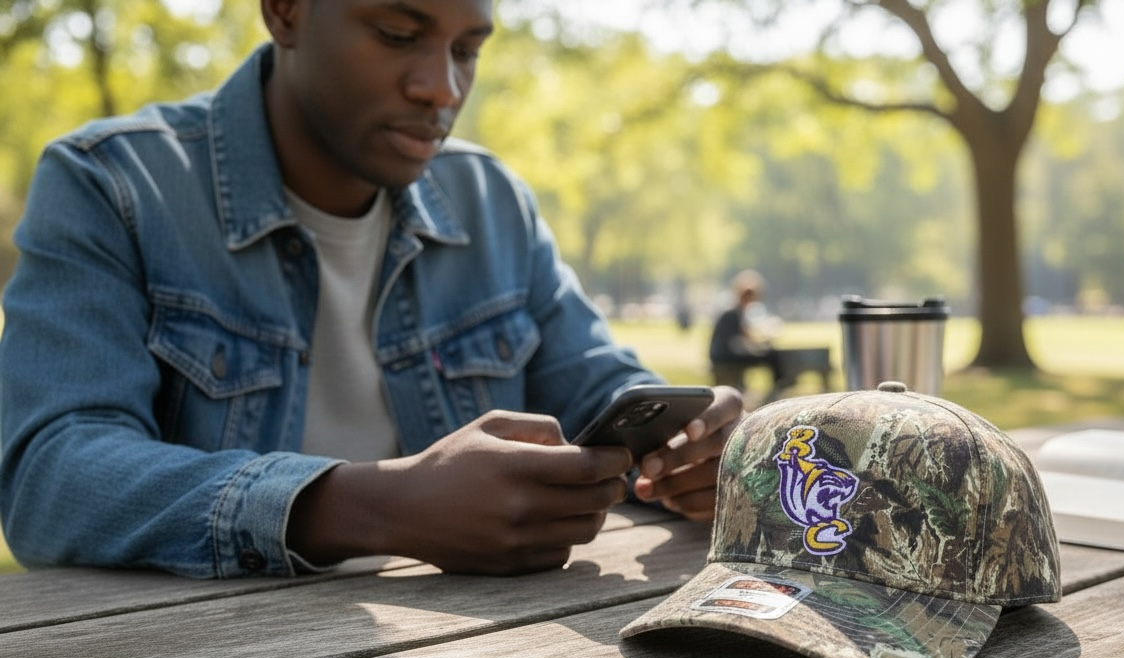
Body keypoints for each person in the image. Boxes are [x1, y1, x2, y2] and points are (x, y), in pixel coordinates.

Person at [0, 0, 743, 579]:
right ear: (285, 11)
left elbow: (599, 389)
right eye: (396, 34)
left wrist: (691, 452)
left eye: (466, 50)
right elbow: (49, 477)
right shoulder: (114, 187)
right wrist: (370, 506)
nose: (440, 88)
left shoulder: (490, 203)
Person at [708, 269, 786, 390]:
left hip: (724, 354)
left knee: (770, 354)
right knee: (773, 355)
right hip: (725, 357)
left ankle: (776, 386)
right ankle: (779, 386)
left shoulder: (735, 312)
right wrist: (761, 344)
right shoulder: (733, 314)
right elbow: (741, 340)